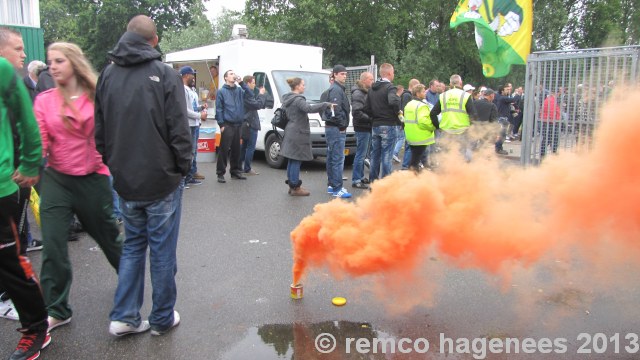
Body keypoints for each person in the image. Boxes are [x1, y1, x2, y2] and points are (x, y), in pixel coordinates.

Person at [95, 15, 191, 337]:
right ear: (155, 39)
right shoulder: (164, 74)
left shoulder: (107, 75)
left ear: (126, 37)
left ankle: (124, 317)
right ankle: (162, 318)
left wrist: (115, 165)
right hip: (161, 180)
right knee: (162, 251)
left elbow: (100, 132)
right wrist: (182, 169)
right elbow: (180, 131)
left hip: (126, 182)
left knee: (134, 247)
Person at [34, 42, 124, 333]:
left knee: (109, 237)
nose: (54, 66)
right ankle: (57, 309)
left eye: (59, 60)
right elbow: (41, 142)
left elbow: (114, 133)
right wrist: (27, 164)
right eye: (50, 62)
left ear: (73, 62)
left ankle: (130, 282)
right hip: (57, 179)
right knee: (53, 245)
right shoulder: (44, 100)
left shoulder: (97, 95)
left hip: (93, 178)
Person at [0, 56, 51, 360]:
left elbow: (27, 121)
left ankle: (35, 327)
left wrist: (30, 163)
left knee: (10, 262)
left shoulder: (3, 70)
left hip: (2, 186)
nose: (20, 54)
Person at [280, 77, 333, 196]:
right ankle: (295, 187)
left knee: (292, 158)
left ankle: (292, 185)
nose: (304, 87)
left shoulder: (288, 98)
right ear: (297, 86)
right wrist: (325, 104)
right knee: (296, 159)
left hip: (291, 129)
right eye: (303, 85)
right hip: (298, 132)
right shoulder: (298, 99)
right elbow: (308, 108)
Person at [365, 63, 401, 182]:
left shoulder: (371, 89)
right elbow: (393, 102)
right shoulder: (390, 88)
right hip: (389, 125)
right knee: (387, 156)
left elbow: (366, 108)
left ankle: (373, 183)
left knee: (375, 156)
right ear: (390, 73)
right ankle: (385, 186)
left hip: (375, 125)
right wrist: (398, 113)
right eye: (394, 72)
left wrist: (374, 118)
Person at [429, 74, 477, 162]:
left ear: (450, 84)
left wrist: (438, 127)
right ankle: (457, 174)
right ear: (461, 83)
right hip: (462, 131)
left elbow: (433, 113)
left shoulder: (443, 95)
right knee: (460, 158)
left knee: (446, 157)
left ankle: (445, 174)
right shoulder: (465, 96)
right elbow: (473, 115)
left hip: (446, 131)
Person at [215, 69, 252, 183]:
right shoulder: (221, 91)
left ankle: (235, 171)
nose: (233, 75)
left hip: (238, 124)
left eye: (234, 73)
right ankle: (220, 173)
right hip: (227, 124)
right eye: (231, 74)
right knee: (224, 150)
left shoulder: (240, 90)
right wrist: (221, 124)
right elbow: (219, 109)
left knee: (237, 149)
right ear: (226, 78)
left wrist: (242, 82)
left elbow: (250, 94)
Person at [323, 65, 352, 199]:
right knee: (337, 158)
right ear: (334, 75)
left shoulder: (337, 89)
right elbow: (336, 111)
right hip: (336, 129)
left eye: (345, 74)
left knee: (332, 157)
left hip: (333, 128)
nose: (344, 76)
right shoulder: (336, 90)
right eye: (342, 74)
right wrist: (342, 126)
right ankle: (337, 188)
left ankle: (332, 184)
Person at [180, 65, 207, 187]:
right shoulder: (182, 89)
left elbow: (193, 107)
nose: (194, 77)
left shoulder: (192, 90)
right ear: (186, 75)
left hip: (195, 125)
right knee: (188, 152)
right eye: (192, 75)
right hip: (189, 125)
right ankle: (184, 179)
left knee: (193, 152)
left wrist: (201, 108)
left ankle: (190, 176)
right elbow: (185, 110)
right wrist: (199, 115)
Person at [403, 84, 436, 171]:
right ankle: (414, 179)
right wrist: (434, 126)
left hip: (411, 136)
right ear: (417, 93)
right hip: (421, 136)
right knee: (415, 161)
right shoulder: (421, 106)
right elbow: (423, 122)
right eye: (423, 91)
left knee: (414, 160)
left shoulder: (409, 104)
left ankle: (413, 178)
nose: (425, 93)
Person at [350, 71, 374, 189]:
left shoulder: (365, 92)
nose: (372, 81)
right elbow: (357, 112)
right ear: (364, 80)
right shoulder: (358, 93)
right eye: (371, 79)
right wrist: (370, 119)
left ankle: (360, 176)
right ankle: (356, 179)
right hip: (362, 127)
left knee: (363, 154)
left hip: (366, 126)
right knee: (360, 154)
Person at [240, 75, 266, 175]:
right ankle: (247, 168)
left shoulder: (244, 93)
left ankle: (239, 166)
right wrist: (261, 94)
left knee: (244, 146)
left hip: (246, 123)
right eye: (253, 83)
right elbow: (258, 105)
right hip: (250, 124)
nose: (254, 85)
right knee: (250, 147)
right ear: (248, 83)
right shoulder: (247, 95)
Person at [539, 88, 561, 159]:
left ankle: (544, 153)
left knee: (547, 138)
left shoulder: (549, 99)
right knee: (553, 138)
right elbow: (551, 112)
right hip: (551, 122)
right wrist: (555, 120)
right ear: (556, 93)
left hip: (548, 121)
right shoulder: (551, 100)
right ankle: (553, 152)